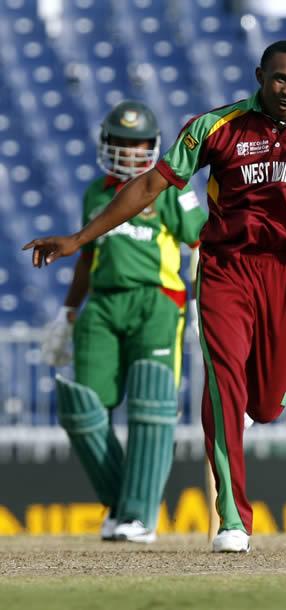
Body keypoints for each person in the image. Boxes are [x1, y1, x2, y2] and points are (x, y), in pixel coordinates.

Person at [24, 41, 286, 553]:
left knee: (264, 405)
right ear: (260, 76)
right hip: (224, 270)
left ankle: (252, 406)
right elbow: (148, 186)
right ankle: (233, 520)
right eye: (280, 79)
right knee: (223, 387)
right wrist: (77, 239)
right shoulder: (215, 128)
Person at [39, 99, 207, 543]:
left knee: (152, 402)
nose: (131, 152)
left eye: (138, 144)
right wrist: (67, 312)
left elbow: (201, 243)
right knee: (82, 408)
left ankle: (139, 517)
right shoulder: (96, 192)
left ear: (152, 146)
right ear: (105, 144)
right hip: (102, 305)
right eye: (121, 143)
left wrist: (203, 303)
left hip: (157, 302)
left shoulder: (172, 187)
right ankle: (122, 506)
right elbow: (85, 256)